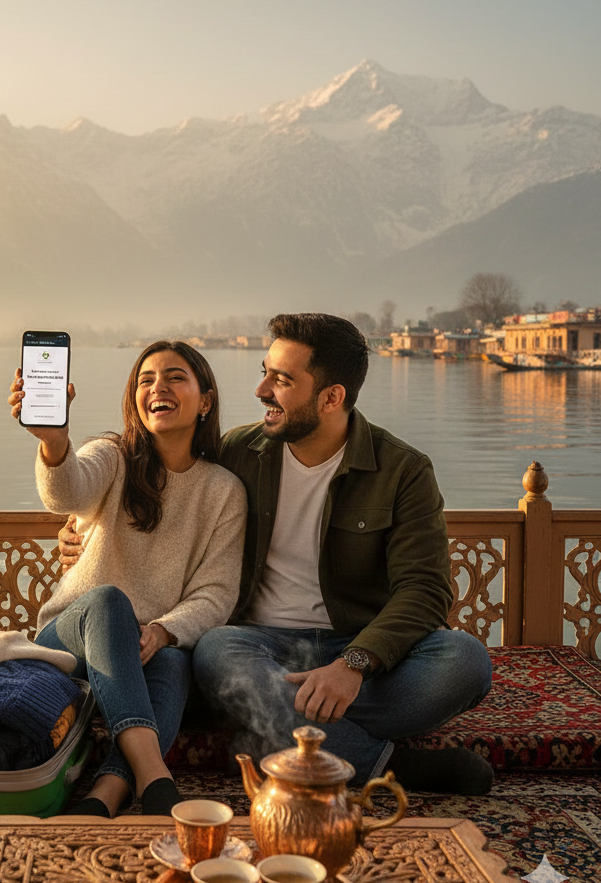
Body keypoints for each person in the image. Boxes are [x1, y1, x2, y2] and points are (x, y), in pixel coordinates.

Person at [60, 314, 494, 795]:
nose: (261, 389)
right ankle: (383, 764)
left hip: (357, 643)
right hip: (255, 646)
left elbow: (426, 589)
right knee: (215, 654)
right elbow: (167, 497)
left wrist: (354, 665)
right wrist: (86, 529)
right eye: (266, 371)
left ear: (332, 397)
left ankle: (271, 729)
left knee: (466, 660)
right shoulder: (238, 452)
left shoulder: (403, 470)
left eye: (281, 380)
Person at [8, 340, 246, 817]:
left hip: (144, 650)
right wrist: (53, 441)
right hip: (70, 640)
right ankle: (156, 779)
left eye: (175, 377)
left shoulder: (223, 491)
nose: (158, 387)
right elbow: (68, 491)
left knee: (176, 664)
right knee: (109, 602)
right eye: (146, 379)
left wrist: (163, 630)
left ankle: (107, 795)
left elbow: (215, 593)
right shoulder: (112, 455)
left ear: (206, 399)